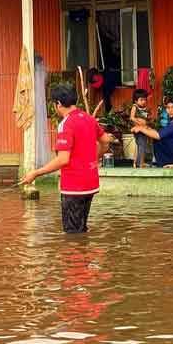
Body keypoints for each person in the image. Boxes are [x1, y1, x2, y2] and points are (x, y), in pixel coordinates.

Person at [20, 84, 115, 234]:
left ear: (58, 104)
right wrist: (95, 157)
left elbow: (63, 159)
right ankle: (85, 255)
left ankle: (76, 256)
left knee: (72, 235)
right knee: (81, 229)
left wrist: (36, 173)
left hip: (73, 186)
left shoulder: (66, 124)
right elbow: (105, 141)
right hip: (90, 183)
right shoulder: (89, 119)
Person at [131, 98, 173, 167]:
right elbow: (158, 132)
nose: (170, 110)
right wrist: (145, 127)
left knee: (160, 138)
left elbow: (158, 135)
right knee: (161, 138)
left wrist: (141, 129)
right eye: (168, 108)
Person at [128, 89, 152, 168]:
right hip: (137, 129)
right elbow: (132, 118)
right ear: (135, 101)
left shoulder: (146, 109)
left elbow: (148, 120)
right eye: (141, 100)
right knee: (141, 144)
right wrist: (139, 123)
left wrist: (147, 124)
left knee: (142, 145)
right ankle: (140, 163)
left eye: (145, 99)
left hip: (144, 130)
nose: (143, 101)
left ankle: (139, 162)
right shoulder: (135, 107)